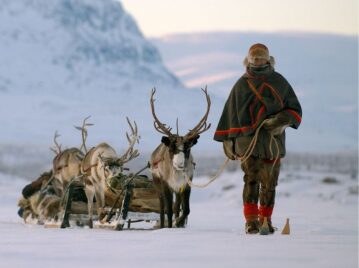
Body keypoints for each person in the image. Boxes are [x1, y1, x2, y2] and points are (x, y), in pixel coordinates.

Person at [213, 43, 302, 234]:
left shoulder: (279, 82)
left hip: (272, 141)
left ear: (268, 59)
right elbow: (230, 114)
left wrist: (279, 121)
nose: (258, 60)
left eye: (261, 57)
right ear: (249, 60)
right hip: (248, 142)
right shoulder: (241, 84)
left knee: (270, 181)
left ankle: (266, 219)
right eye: (255, 58)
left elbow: (294, 109)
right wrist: (229, 141)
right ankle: (251, 221)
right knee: (251, 179)